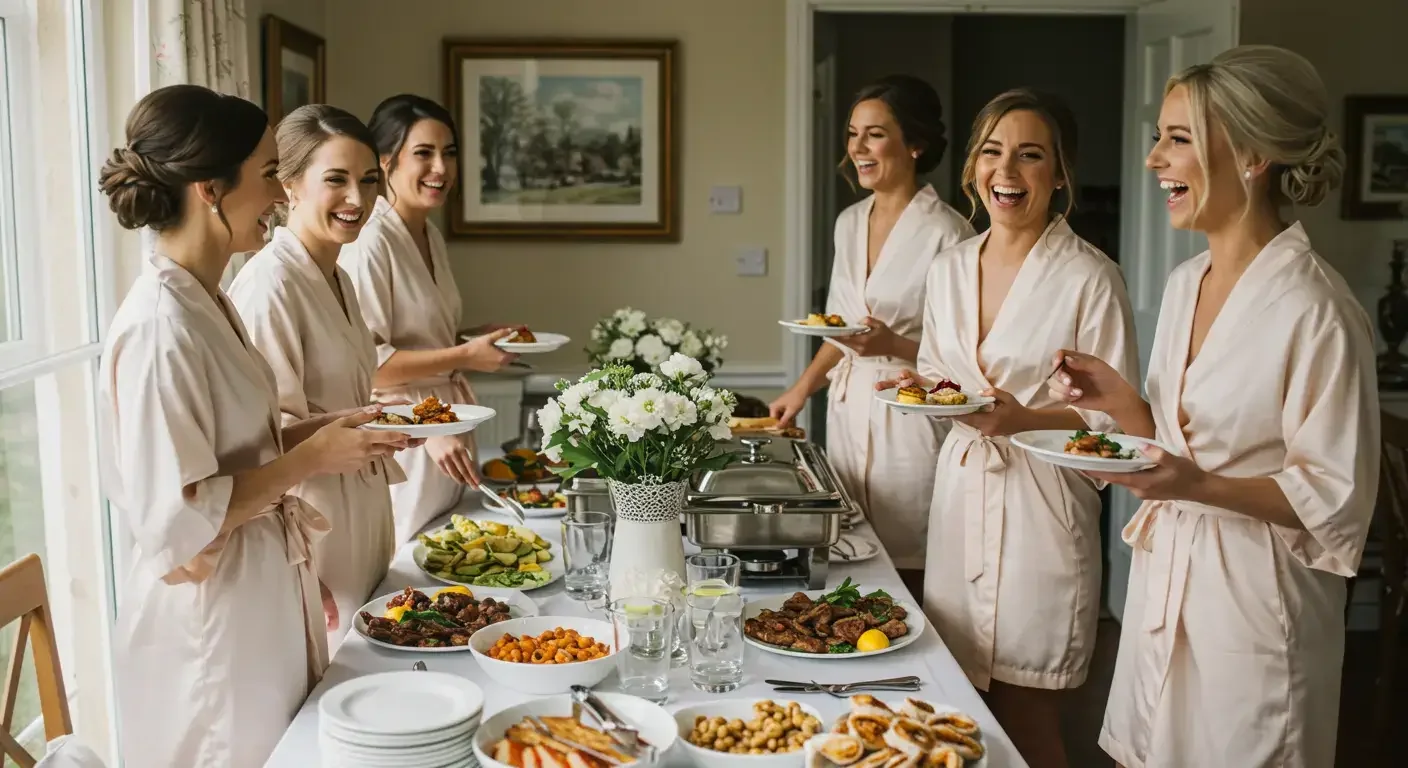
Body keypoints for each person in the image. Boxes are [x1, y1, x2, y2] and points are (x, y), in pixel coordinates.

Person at [1047, 46, 1378, 767]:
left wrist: (1197, 485)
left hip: (1256, 602)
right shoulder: (1185, 282)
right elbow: (1177, 446)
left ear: (1254, 156)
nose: (1153, 159)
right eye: (1159, 137)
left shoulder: (1317, 310)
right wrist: (1123, 403)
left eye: (1178, 138)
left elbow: (1335, 495)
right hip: (1167, 580)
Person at [97, 85, 409, 768]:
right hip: (210, 619)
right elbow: (180, 516)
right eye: (269, 172)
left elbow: (240, 451)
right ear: (210, 189)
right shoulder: (160, 327)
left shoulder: (205, 300)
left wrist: (324, 429)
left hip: (261, 589)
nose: (278, 192)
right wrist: (310, 458)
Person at [878, 88, 1138, 767]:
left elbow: (1113, 421)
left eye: (1030, 155)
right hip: (961, 497)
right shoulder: (949, 269)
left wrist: (1024, 418)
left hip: (1042, 506)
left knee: (1029, 711)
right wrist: (916, 387)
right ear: (972, 168)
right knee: (958, 708)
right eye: (992, 152)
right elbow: (938, 373)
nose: (1007, 171)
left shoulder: (1090, 277)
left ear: (1060, 173)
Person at [769, 75, 975, 592]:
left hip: (910, 414)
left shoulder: (949, 233)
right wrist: (801, 389)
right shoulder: (849, 222)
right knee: (845, 553)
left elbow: (964, 355)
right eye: (853, 133)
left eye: (875, 134)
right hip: (846, 411)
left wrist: (892, 346)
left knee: (909, 558)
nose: (857, 148)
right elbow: (840, 329)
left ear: (915, 143)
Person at [228, 104, 403, 652]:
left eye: (368, 180)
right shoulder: (270, 286)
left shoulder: (339, 278)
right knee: (337, 671)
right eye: (336, 180)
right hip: (315, 523)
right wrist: (301, 569)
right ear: (289, 184)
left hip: (364, 508)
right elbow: (260, 440)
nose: (357, 198)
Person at [342, 94, 516, 542]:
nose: (441, 168)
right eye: (424, 153)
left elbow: (418, 334)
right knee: (412, 556)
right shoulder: (371, 241)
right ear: (385, 161)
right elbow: (369, 363)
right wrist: (466, 355)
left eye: (450, 153)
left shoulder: (428, 233)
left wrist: (469, 338)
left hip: (446, 425)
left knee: (455, 549)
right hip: (409, 433)